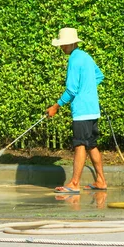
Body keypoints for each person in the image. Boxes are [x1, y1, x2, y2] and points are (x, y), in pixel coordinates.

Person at [46, 27, 107, 193]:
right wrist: (88, 90)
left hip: (82, 111)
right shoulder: (86, 57)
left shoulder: (74, 60)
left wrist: (56, 106)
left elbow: (71, 90)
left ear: (72, 43)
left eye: (64, 44)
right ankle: (101, 181)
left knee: (80, 145)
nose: (62, 47)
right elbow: (99, 76)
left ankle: (74, 183)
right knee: (91, 144)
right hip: (93, 109)